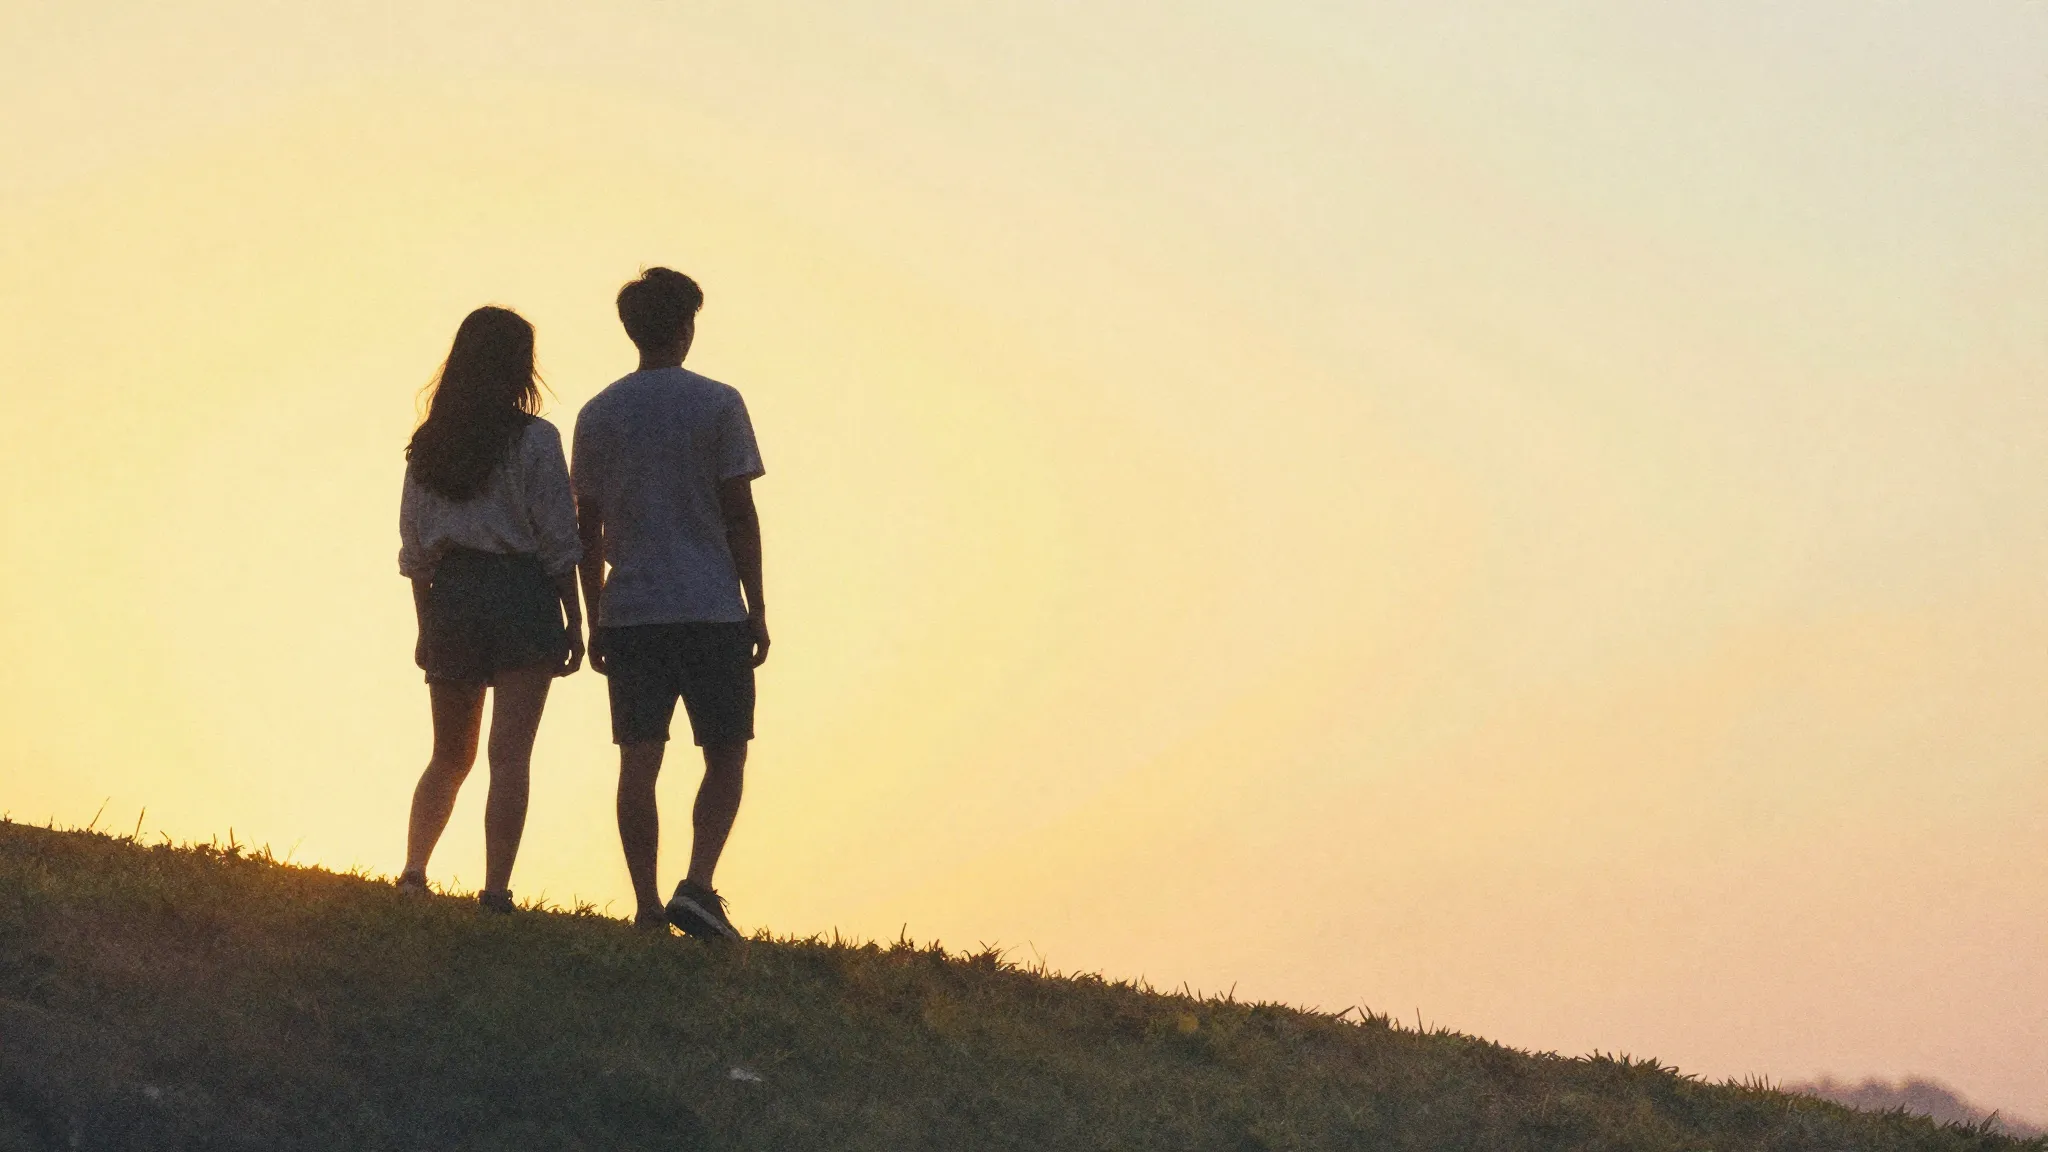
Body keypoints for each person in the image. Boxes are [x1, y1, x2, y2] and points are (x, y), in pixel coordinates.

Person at [572, 267, 768, 940]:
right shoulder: (718, 403)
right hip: (711, 605)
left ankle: (649, 905)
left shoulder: (598, 413)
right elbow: (739, 514)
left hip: (632, 609)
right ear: (685, 327)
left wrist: (593, 612)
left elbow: (586, 527)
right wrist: (757, 605)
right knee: (726, 752)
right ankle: (699, 882)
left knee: (639, 758)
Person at [395, 306, 584, 913]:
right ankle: (496, 890)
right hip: (522, 593)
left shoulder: (429, 445)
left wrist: (426, 624)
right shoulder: (536, 440)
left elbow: (415, 548)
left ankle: (414, 871)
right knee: (510, 757)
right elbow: (558, 537)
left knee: (449, 754)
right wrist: (575, 617)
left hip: (452, 596)